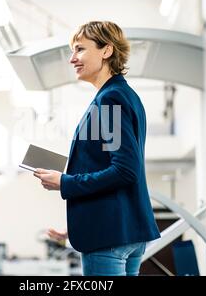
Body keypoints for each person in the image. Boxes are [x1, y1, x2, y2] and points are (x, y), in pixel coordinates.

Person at [34, 21, 160, 276]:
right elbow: (113, 168)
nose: (72, 59)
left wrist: (65, 182)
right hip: (121, 231)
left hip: (109, 240)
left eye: (79, 49)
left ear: (106, 51)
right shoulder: (121, 96)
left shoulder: (110, 100)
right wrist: (78, 226)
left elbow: (124, 170)